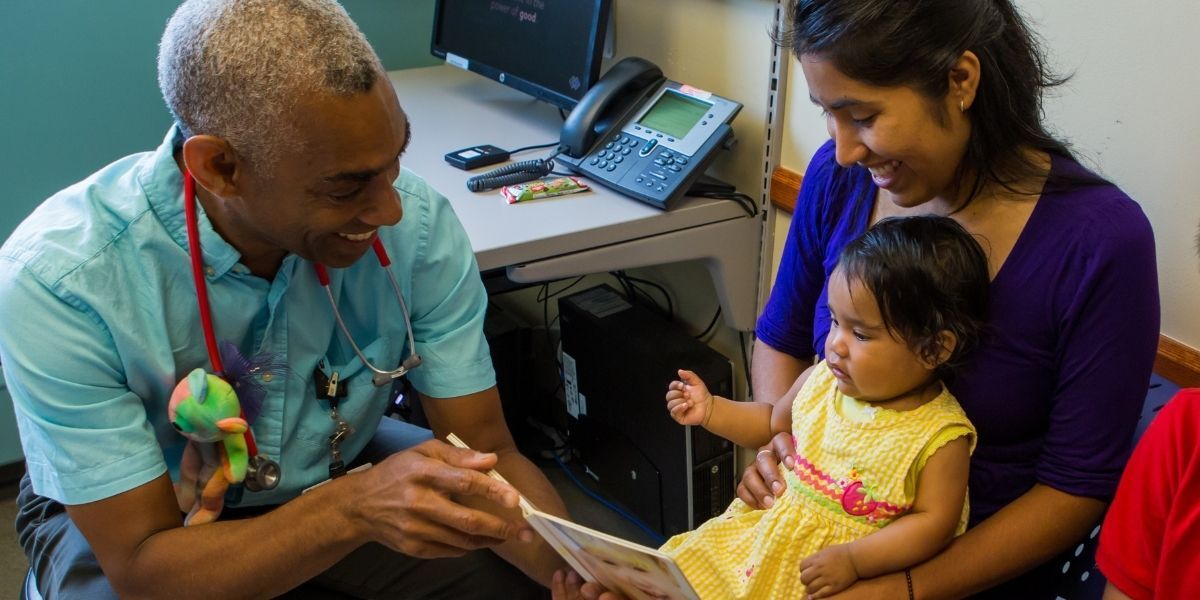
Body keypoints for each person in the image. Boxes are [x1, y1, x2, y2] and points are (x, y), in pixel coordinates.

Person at [0, 1, 569, 598]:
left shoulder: (419, 228)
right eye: (347, 185)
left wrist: (586, 573)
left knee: (506, 571)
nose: (390, 210)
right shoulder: (61, 283)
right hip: (148, 522)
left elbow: (487, 451)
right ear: (220, 167)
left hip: (333, 459)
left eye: (394, 161)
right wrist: (347, 511)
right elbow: (145, 568)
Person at [739, 0, 1160, 598]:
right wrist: (781, 446)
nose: (844, 149)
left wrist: (905, 587)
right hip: (810, 546)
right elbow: (780, 338)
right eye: (828, 114)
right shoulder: (839, 180)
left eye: (861, 115)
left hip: (966, 574)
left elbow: (1074, 487)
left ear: (960, 80)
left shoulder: (1099, 243)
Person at [659, 216, 985, 599]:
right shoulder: (820, 381)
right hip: (758, 546)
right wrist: (712, 411)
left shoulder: (939, 435)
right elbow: (770, 421)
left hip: (831, 574)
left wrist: (854, 559)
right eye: (834, 321)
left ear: (934, 348)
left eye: (861, 334)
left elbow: (935, 525)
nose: (835, 344)